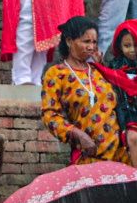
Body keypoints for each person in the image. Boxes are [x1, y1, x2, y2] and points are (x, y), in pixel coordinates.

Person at [40, 17, 123, 165]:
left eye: (94, 42)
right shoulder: (56, 74)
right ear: (69, 41)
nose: (91, 47)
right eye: (86, 41)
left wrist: (104, 67)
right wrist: (77, 134)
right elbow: (50, 115)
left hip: (120, 155)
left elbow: (121, 98)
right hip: (88, 156)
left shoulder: (99, 70)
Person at [98, 22, 137, 168]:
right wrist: (100, 64)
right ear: (119, 46)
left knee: (134, 138)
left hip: (134, 110)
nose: (132, 50)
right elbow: (107, 80)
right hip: (115, 110)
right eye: (127, 46)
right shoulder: (114, 66)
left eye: (136, 45)